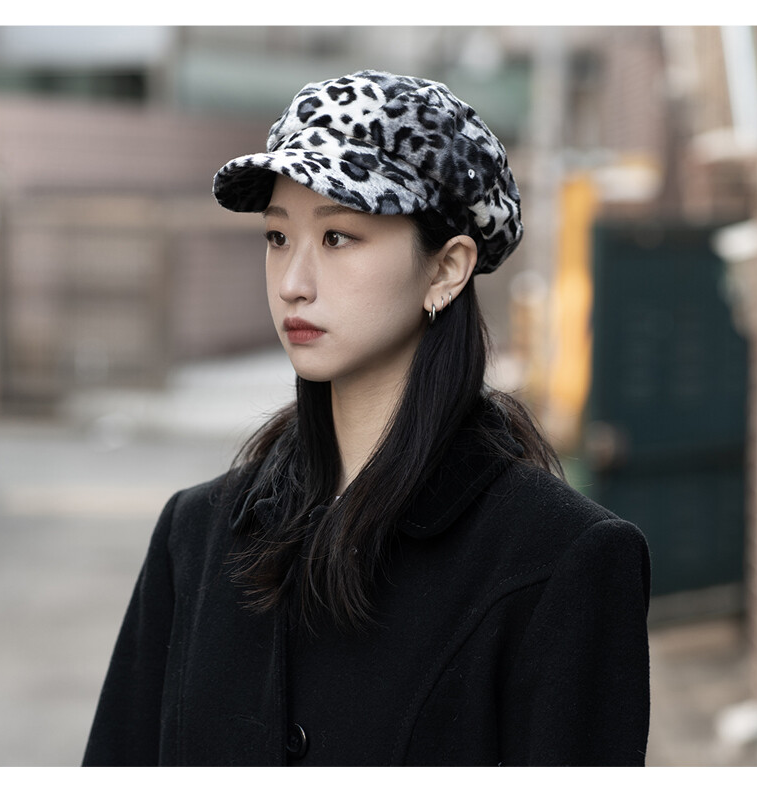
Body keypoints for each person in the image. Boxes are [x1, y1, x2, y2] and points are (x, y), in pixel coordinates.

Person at [83, 70, 650, 767]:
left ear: (446, 269)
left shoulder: (562, 559)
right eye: (277, 237)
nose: (294, 282)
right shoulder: (196, 537)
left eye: (338, 237)